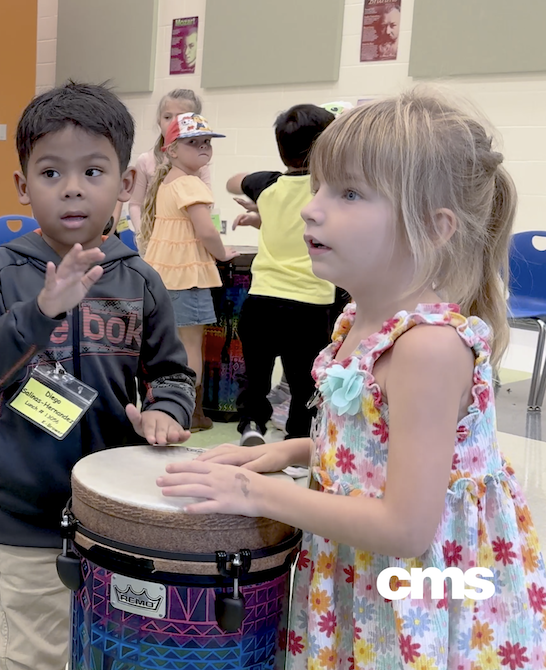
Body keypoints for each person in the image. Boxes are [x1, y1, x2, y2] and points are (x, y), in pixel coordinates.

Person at [158, 88, 546, 667]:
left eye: (350, 193)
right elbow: (378, 448)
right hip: (362, 572)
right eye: (317, 187)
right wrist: (292, 450)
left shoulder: (429, 347)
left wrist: (255, 493)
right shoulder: (358, 322)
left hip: (415, 592)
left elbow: (406, 526)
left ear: (435, 227)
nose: (312, 208)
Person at [0, 82, 195, 670]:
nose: (74, 189)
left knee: (115, 650)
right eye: (52, 173)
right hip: (27, 516)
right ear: (22, 186)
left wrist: (167, 410)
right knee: (35, 654)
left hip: (119, 511)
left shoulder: (139, 279)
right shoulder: (2, 271)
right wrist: (39, 312)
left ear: (125, 184)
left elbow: (173, 375)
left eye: (93, 170)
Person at [225, 104, 338, 446]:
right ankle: (297, 439)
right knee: (305, 381)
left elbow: (233, 182)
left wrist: (264, 211)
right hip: (310, 304)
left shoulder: (268, 185)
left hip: (262, 300)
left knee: (256, 374)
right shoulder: (328, 192)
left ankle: (251, 425)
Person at [139, 112, 236, 431]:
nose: (204, 148)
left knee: (167, 343)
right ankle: (192, 412)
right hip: (187, 277)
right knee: (190, 345)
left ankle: (165, 403)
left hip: (162, 273)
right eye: (193, 143)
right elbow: (206, 232)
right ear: (171, 150)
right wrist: (223, 254)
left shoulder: (166, 181)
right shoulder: (191, 185)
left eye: (207, 142)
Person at [121, 89, 210, 235]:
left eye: (181, 118)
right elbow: (135, 204)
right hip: (154, 240)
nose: (172, 123)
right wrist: (142, 236)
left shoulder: (200, 165)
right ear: (159, 120)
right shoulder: (146, 161)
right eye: (167, 117)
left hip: (186, 239)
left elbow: (207, 206)